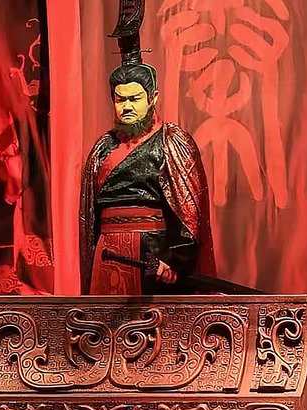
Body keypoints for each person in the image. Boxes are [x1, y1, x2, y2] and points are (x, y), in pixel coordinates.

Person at [79, 5, 215, 295]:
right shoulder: (103, 147)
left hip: (154, 255)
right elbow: (91, 217)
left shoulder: (171, 140)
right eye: (120, 99)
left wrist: (175, 259)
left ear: (152, 98)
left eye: (135, 98)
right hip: (108, 254)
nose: (127, 106)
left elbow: (188, 209)